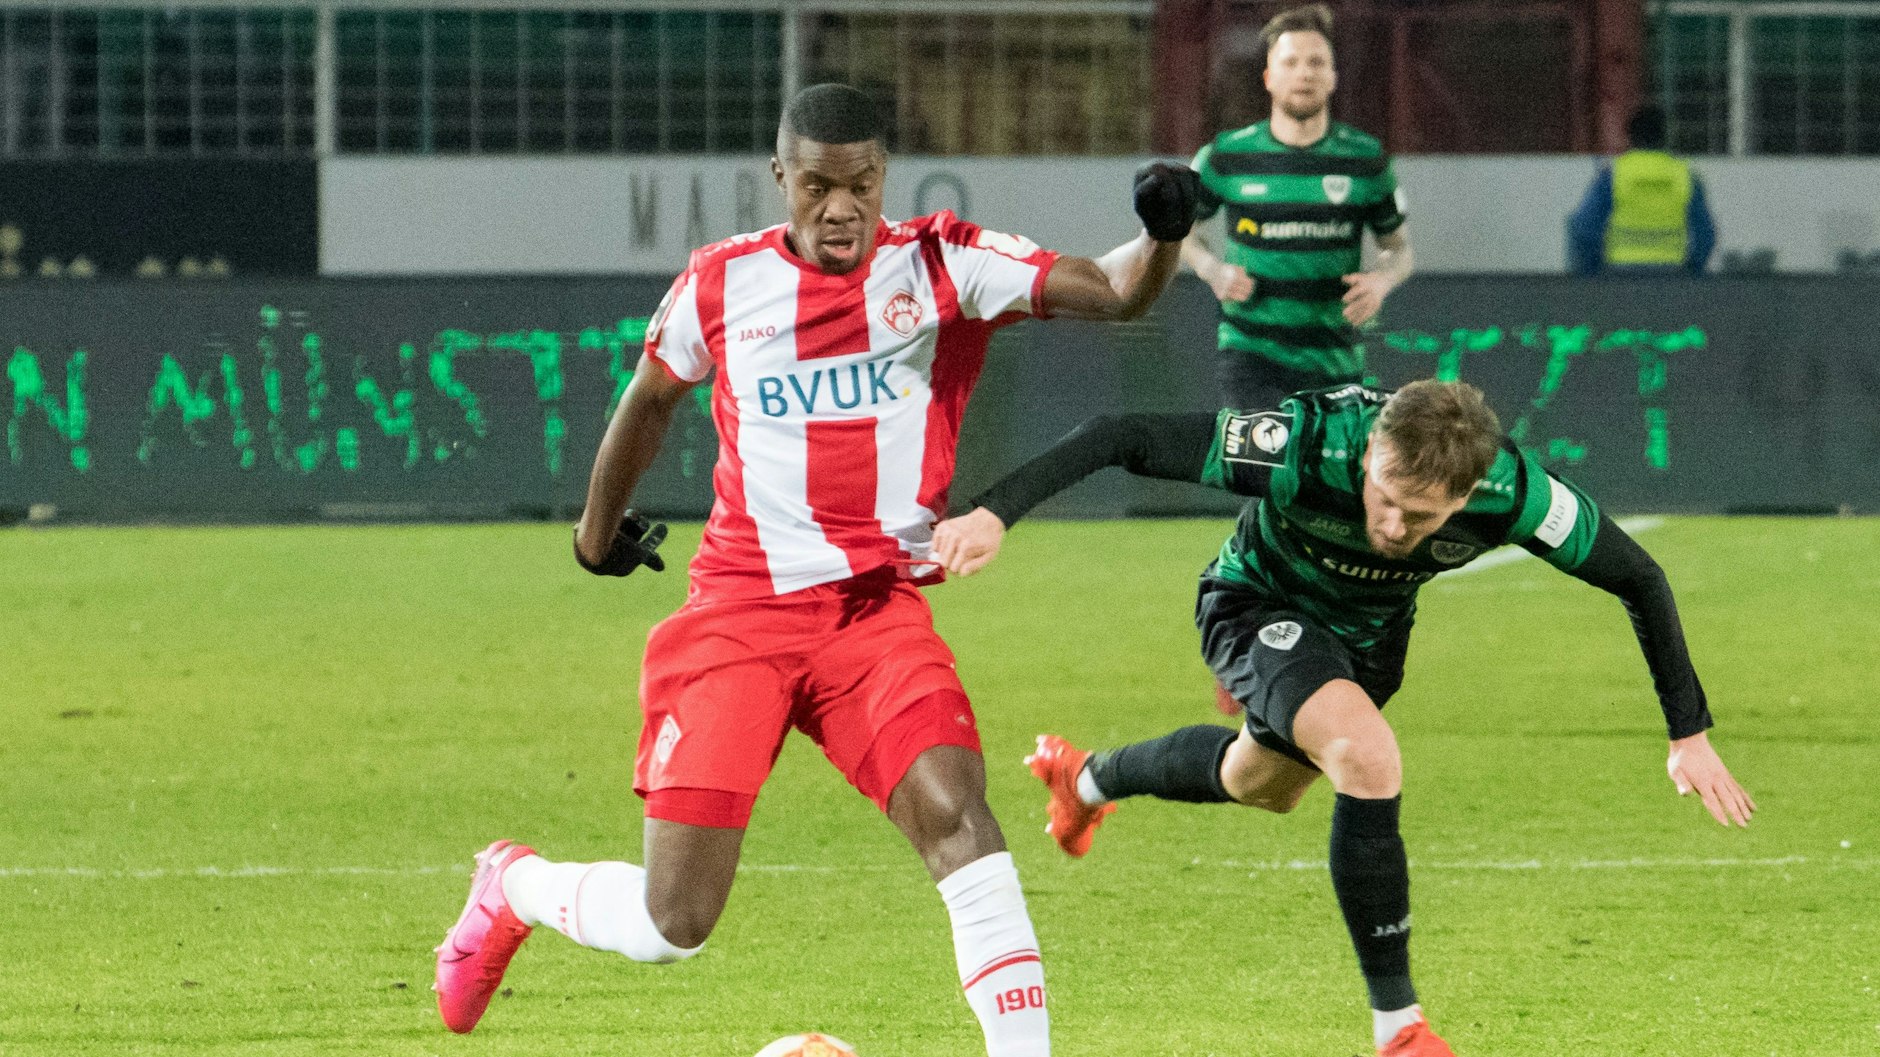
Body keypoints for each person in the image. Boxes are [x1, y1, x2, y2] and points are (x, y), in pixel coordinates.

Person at [430, 83, 1201, 1057]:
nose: (839, 208)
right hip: (737, 614)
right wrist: (596, 533)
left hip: (872, 615)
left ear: (884, 177)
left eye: (861, 185)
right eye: (816, 186)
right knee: (676, 922)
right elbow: (649, 399)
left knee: (958, 814)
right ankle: (515, 885)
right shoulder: (720, 285)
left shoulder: (942, 263)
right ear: (780, 178)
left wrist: (1163, 233)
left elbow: (1115, 288)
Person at [928, 380, 1754, 1057]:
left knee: (1259, 783)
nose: (1393, 526)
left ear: (1467, 493)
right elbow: (1122, 426)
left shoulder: (1516, 493)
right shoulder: (1306, 442)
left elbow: (1638, 576)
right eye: (1385, 497)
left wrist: (1689, 732)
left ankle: (1087, 778)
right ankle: (1399, 1029)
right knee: (1368, 755)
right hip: (1257, 605)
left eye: (1422, 517)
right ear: (1369, 456)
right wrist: (995, 510)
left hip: (1369, 638)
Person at [1182, 3, 1414, 410]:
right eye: (1290, 62)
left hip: (1335, 361)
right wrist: (1211, 269)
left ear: (1333, 78)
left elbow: (1400, 250)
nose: (1304, 73)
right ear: (1269, 78)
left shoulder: (1366, 161)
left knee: (1325, 474)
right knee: (1261, 468)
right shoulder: (1225, 156)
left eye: (1316, 62)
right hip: (1252, 356)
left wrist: (1381, 282)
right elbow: (1179, 231)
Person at [1567, 105, 1717, 277]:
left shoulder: (1614, 175)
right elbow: (1705, 234)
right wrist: (1692, 270)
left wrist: (1593, 270)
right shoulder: (1685, 176)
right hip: (1672, 274)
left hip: (1621, 274)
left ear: (1630, 137)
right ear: (1664, 136)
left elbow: (1584, 228)